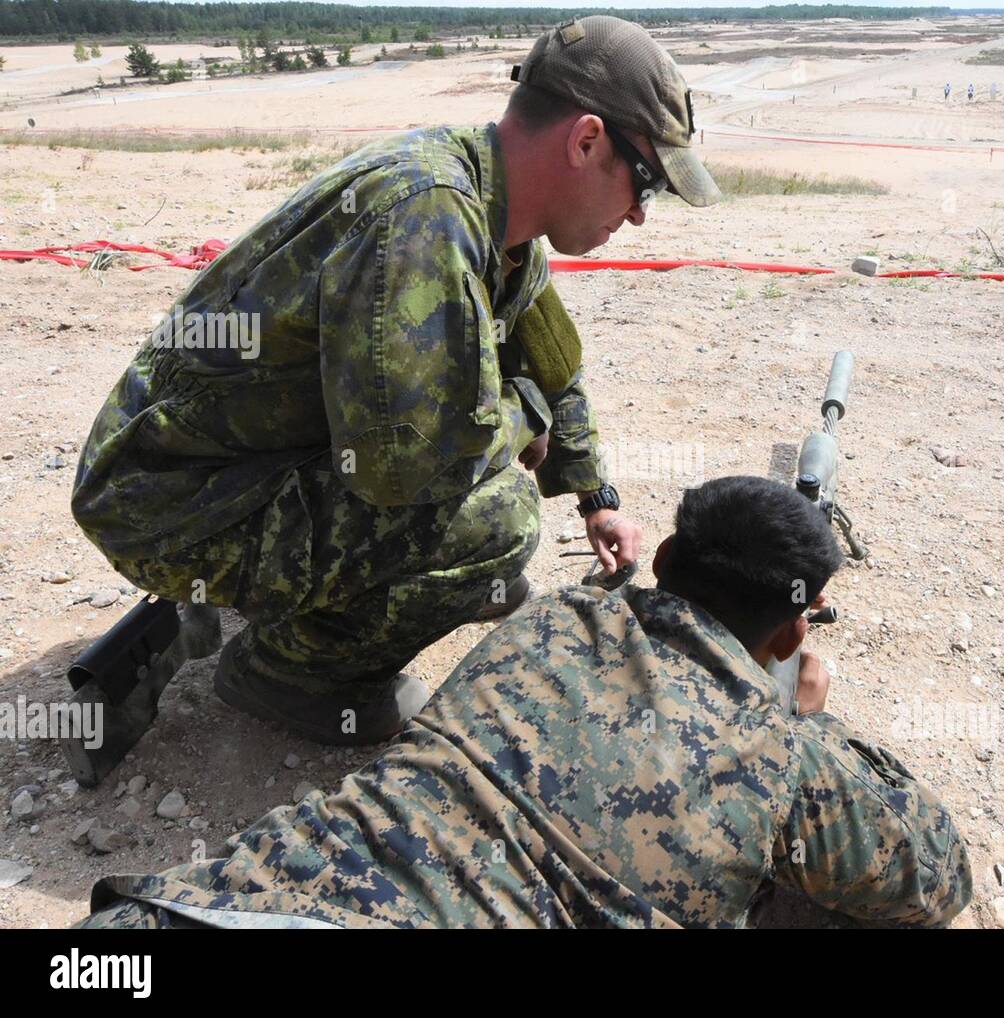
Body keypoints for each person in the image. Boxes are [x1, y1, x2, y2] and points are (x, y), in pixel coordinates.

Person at [69, 17, 719, 745]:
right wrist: (517, 422)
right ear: (587, 140)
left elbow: (550, 367)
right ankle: (288, 677)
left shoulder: (490, 206)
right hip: (164, 500)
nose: (636, 215)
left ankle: (314, 601)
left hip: (219, 468)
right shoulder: (425, 218)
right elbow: (408, 469)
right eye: (646, 183)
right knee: (498, 522)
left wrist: (596, 497)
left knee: (482, 523)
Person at [75, 476, 972, 929]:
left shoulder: (551, 624)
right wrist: (805, 719)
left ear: (662, 564)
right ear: (791, 633)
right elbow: (937, 878)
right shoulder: (781, 760)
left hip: (212, 911)